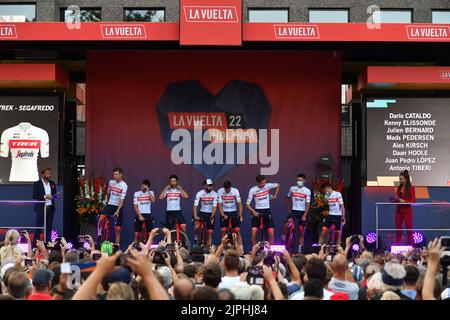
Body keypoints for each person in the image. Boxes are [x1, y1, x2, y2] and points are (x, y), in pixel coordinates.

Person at [246, 175, 280, 246]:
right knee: (254, 231)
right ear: (258, 183)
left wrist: (275, 196)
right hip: (257, 212)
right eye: (262, 183)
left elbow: (278, 185)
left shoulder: (268, 186)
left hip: (267, 211)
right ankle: (254, 250)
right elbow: (247, 204)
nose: (263, 184)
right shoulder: (252, 190)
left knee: (271, 232)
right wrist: (254, 212)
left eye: (264, 182)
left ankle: (270, 250)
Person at [98, 167, 128, 245]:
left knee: (118, 229)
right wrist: (105, 203)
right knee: (101, 218)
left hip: (117, 207)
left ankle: (116, 246)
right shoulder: (111, 182)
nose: (114, 176)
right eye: (114, 174)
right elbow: (108, 193)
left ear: (121, 175)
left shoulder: (124, 185)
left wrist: (118, 210)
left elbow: (122, 200)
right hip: (110, 205)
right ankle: (99, 234)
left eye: (116, 174)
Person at [282, 173, 311, 251]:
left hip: (302, 212)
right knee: (286, 224)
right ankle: (283, 240)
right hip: (294, 211)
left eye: (300, 180)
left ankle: (299, 250)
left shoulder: (307, 191)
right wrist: (289, 210)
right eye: (297, 180)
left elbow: (308, 204)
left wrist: (305, 215)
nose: (298, 181)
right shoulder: (292, 188)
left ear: (304, 181)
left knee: (301, 230)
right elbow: (287, 197)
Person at [33, 168, 57, 243]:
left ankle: (47, 242)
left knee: (49, 226)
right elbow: (35, 195)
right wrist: (45, 196)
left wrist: (55, 196)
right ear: (43, 174)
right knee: (39, 226)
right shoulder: (37, 183)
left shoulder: (52, 183)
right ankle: (35, 243)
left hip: (50, 207)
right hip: (41, 208)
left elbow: (54, 194)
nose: (49, 175)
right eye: (47, 173)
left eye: (50, 173)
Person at [218, 181, 243, 248]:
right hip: (224, 212)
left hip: (233, 212)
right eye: (225, 189)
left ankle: (241, 249)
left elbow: (239, 204)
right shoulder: (220, 191)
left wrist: (240, 215)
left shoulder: (235, 191)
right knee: (223, 231)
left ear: (230, 187)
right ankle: (222, 249)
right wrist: (223, 214)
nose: (227, 191)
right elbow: (219, 204)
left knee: (237, 230)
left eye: (228, 189)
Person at [319, 182, 345, 246]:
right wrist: (326, 196)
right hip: (330, 215)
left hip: (338, 216)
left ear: (327, 188)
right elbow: (325, 202)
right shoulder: (326, 195)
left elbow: (342, 206)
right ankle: (319, 247)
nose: (324, 191)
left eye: (324, 190)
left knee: (338, 233)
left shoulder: (337, 194)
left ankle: (338, 249)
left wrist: (343, 217)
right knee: (323, 231)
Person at [193, 179, 218, 246]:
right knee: (196, 226)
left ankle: (209, 249)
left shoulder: (215, 194)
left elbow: (215, 206)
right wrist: (195, 215)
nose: (211, 187)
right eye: (209, 186)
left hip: (210, 213)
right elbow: (195, 205)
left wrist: (212, 216)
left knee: (210, 232)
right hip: (202, 213)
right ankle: (195, 236)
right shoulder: (199, 193)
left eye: (211, 186)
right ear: (205, 186)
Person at [395, 170, 416, 244]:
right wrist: (395, 200)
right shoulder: (399, 187)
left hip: (407, 211)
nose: (399, 180)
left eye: (401, 179)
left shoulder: (411, 188)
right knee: (398, 230)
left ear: (406, 179)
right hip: (399, 210)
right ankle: (397, 246)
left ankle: (412, 246)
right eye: (399, 179)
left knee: (409, 230)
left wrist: (405, 201)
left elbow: (413, 200)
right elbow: (398, 198)